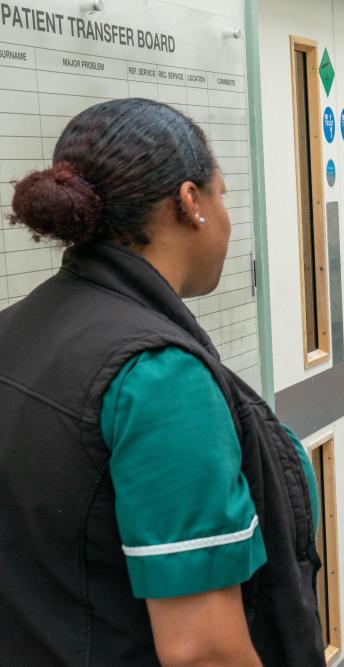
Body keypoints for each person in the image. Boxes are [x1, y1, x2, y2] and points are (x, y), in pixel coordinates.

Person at [0, 99, 325, 665]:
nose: (226, 217)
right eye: (222, 194)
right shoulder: (159, 377)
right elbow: (203, 651)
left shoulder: (17, 327)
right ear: (190, 202)